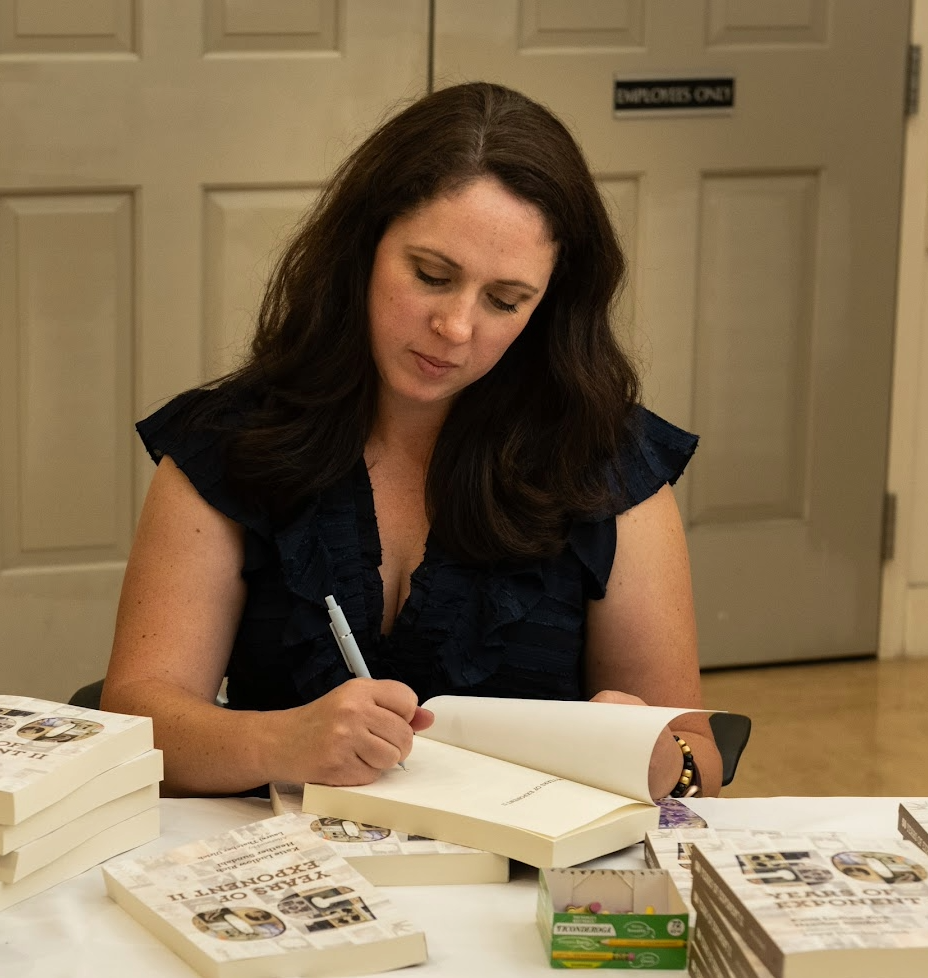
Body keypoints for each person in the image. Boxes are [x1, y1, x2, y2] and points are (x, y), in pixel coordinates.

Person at [102, 82, 721, 800]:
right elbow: (136, 718)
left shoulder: (605, 459)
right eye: (431, 275)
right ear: (363, 249)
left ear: (548, 305)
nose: (456, 328)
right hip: (287, 875)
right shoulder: (229, 443)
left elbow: (696, 751)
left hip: (520, 893)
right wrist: (276, 740)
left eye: (504, 301)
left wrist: (662, 759)